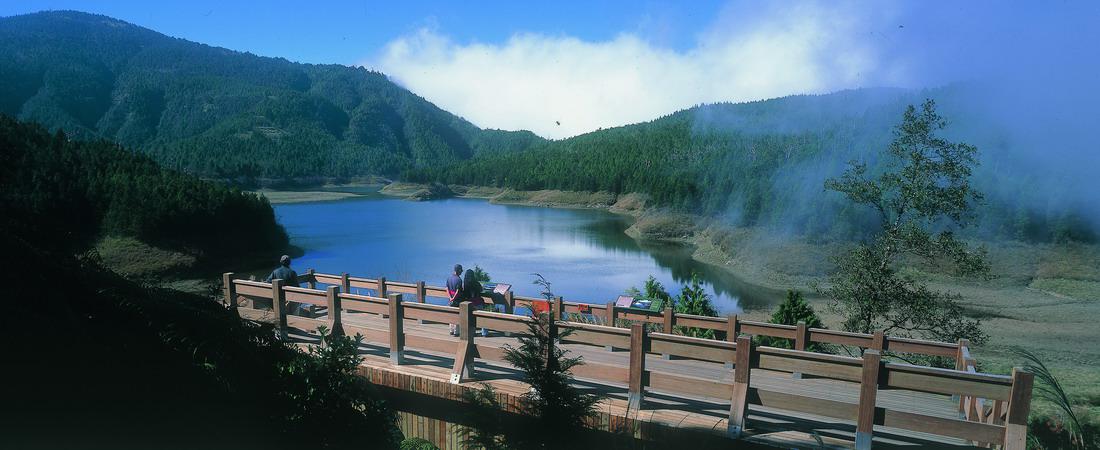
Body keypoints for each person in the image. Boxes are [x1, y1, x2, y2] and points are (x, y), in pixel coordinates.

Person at [462, 269, 489, 337]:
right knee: (482, 317)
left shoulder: (464, 284)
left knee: (471, 318)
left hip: (468, 304)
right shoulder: (476, 283)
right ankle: (484, 333)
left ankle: (472, 332)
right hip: (477, 303)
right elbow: (481, 290)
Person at [446, 264, 464, 336]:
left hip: (450, 298)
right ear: (459, 270)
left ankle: (451, 330)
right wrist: (454, 298)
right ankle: (456, 332)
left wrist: (450, 297)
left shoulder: (449, 278)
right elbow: (458, 291)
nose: (461, 272)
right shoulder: (459, 280)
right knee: (457, 314)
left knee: (451, 313)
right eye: (461, 271)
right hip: (457, 299)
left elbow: (447, 288)